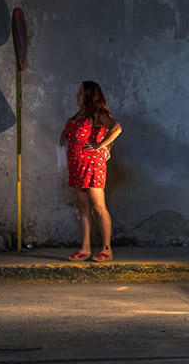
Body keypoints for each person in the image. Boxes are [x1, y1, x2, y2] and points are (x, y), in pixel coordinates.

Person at [59, 81, 122, 262]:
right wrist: (65, 134)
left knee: (99, 207)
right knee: (83, 208)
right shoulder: (80, 114)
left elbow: (116, 128)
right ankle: (85, 248)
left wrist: (101, 145)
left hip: (92, 166)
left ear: (88, 95)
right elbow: (76, 131)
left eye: (80, 93)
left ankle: (107, 249)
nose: (77, 95)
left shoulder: (97, 114)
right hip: (77, 166)